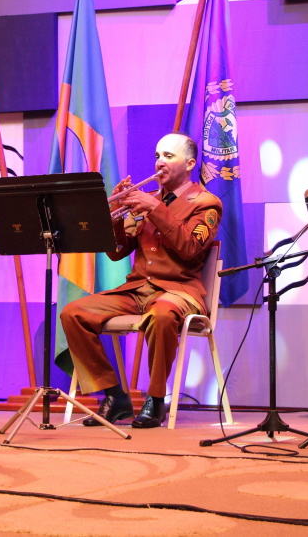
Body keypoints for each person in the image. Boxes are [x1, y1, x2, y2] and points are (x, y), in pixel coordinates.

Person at [60, 132, 222, 428]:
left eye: (168, 156)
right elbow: (118, 252)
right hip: (138, 289)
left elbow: (189, 248)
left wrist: (155, 210)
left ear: (189, 164)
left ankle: (156, 400)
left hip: (179, 291)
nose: (160, 162)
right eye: (157, 155)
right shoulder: (150, 200)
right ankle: (114, 395)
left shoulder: (205, 203)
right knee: (73, 313)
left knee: (161, 316)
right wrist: (115, 217)